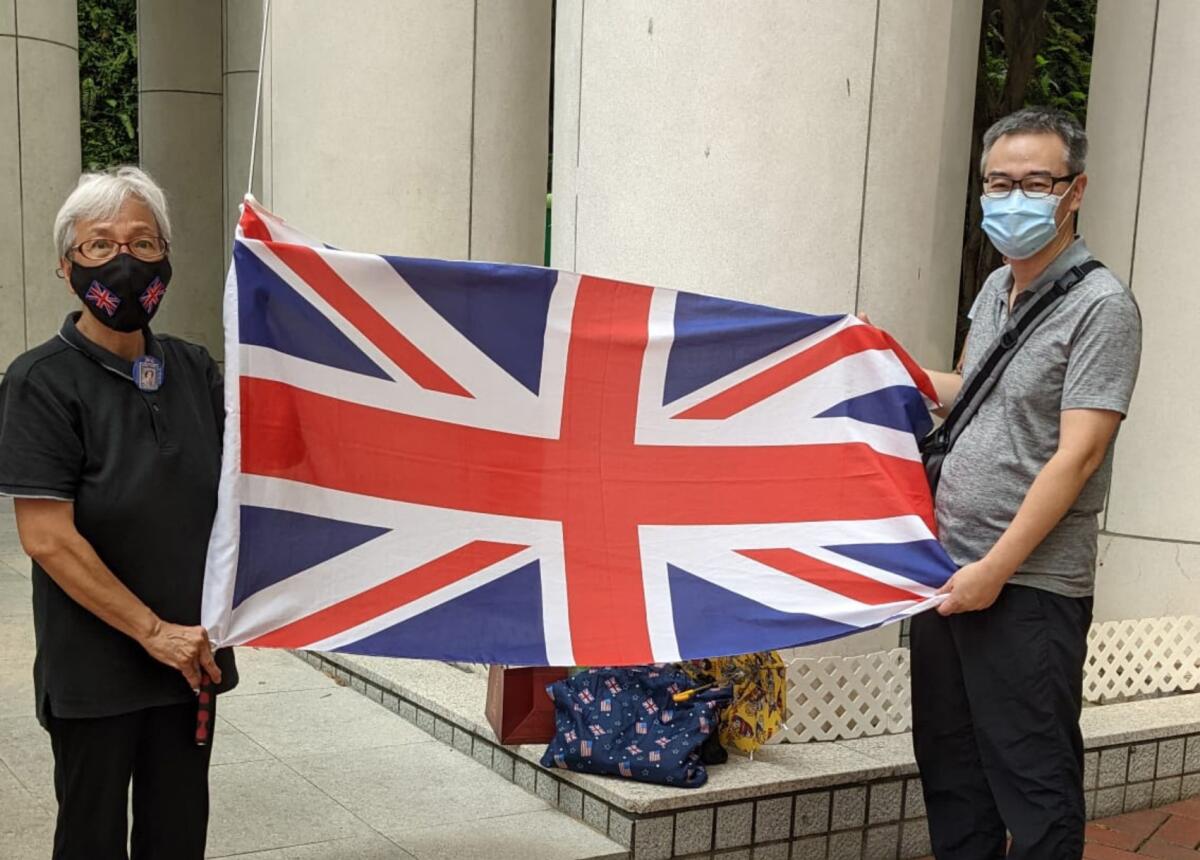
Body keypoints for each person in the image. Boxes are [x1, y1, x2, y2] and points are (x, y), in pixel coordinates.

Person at [880, 107, 1142, 859]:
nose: (1012, 197)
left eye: (1035, 182)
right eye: (999, 182)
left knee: (1033, 783)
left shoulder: (1103, 308)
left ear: (1074, 191)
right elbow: (973, 389)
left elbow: (1079, 455)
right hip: (948, 571)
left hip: (1026, 584)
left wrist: (995, 570)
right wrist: (878, 357)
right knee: (953, 770)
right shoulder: (998, 287)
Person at [0, 166, 238, 859]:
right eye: (100, 245)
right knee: (92, 840)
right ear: (65, 263)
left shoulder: (196, 371)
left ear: (167, 256)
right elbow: (46, 538)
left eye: (143, 242)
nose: (125, 261)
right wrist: (152, 631)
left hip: (192, 662)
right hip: (97, 670)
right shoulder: (40, 381)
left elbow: (249, 488)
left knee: (176, 837)